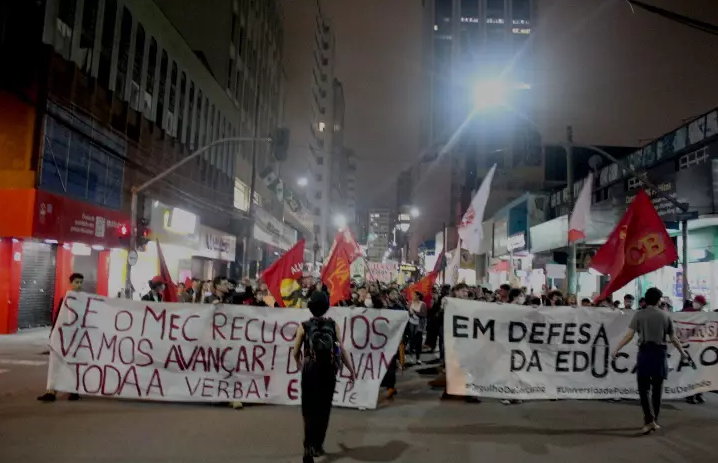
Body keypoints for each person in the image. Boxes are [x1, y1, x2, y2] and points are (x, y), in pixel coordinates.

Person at [612, 287, 688, 435]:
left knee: (644, 389)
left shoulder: (639, 315)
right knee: (657, 389)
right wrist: (683, 353)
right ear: (659, 300)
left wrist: (616, 349)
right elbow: (673, 338)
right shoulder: (665, 316)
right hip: (660, 353)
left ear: (646, 299)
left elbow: (629, 335)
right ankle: (654, 420)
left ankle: (649, 420)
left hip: (645, 352)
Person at [293, 291, 356, 462]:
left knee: (309, 409)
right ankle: (318, 445)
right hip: (327, 371)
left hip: (310, 371)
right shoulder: (333, 325)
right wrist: (351, 369)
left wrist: (299, 363)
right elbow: (340, 349)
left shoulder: (303, 326)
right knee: (323, 409)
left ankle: (308, 446)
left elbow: (295, 350)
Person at [38, 273, 84, 403]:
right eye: (76, 282)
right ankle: (51, 391)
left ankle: (73, 391)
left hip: (76, 338)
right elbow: (58, 317)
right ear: (71, 283)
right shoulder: (65, 299)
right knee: (56, 363)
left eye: (81, 282)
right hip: (62, 337)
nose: (79, 285)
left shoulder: (84, 300)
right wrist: (53, 334)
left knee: (72, 364)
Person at [407, 290, 427, 365]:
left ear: (418, 296)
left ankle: (418, 358)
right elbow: (408, 312)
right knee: (411, 340)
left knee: (418, 341)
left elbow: (424, 315)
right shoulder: (410, 302)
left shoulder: (423, 304)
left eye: (414, 295)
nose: (413, 296)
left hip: (419, 324)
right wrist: (410, 314)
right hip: (411, 323)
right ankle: (411, 356)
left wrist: (415, 312)